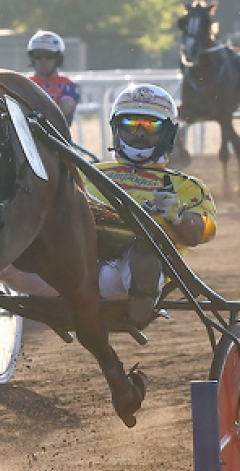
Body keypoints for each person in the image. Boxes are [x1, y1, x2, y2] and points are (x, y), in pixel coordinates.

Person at [86, 83, 217, 326]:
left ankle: (139, 306)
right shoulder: (86, 172)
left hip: (126, 272)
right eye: (130, 125)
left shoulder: (187, 186)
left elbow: (200, 233)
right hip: (71, 262)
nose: (139, 134)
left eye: (151, 126)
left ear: (168, 133)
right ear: (116, 128)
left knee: (145, 251)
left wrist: (176, 215)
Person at [27, 30, 80, 123]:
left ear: (58, 59)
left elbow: (67, 107)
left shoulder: (68, 85)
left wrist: (39, 114)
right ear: (32, 58)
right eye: (38, 56)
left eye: (49, 56)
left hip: (58, 136)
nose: (43, 60)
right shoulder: (24, 83)